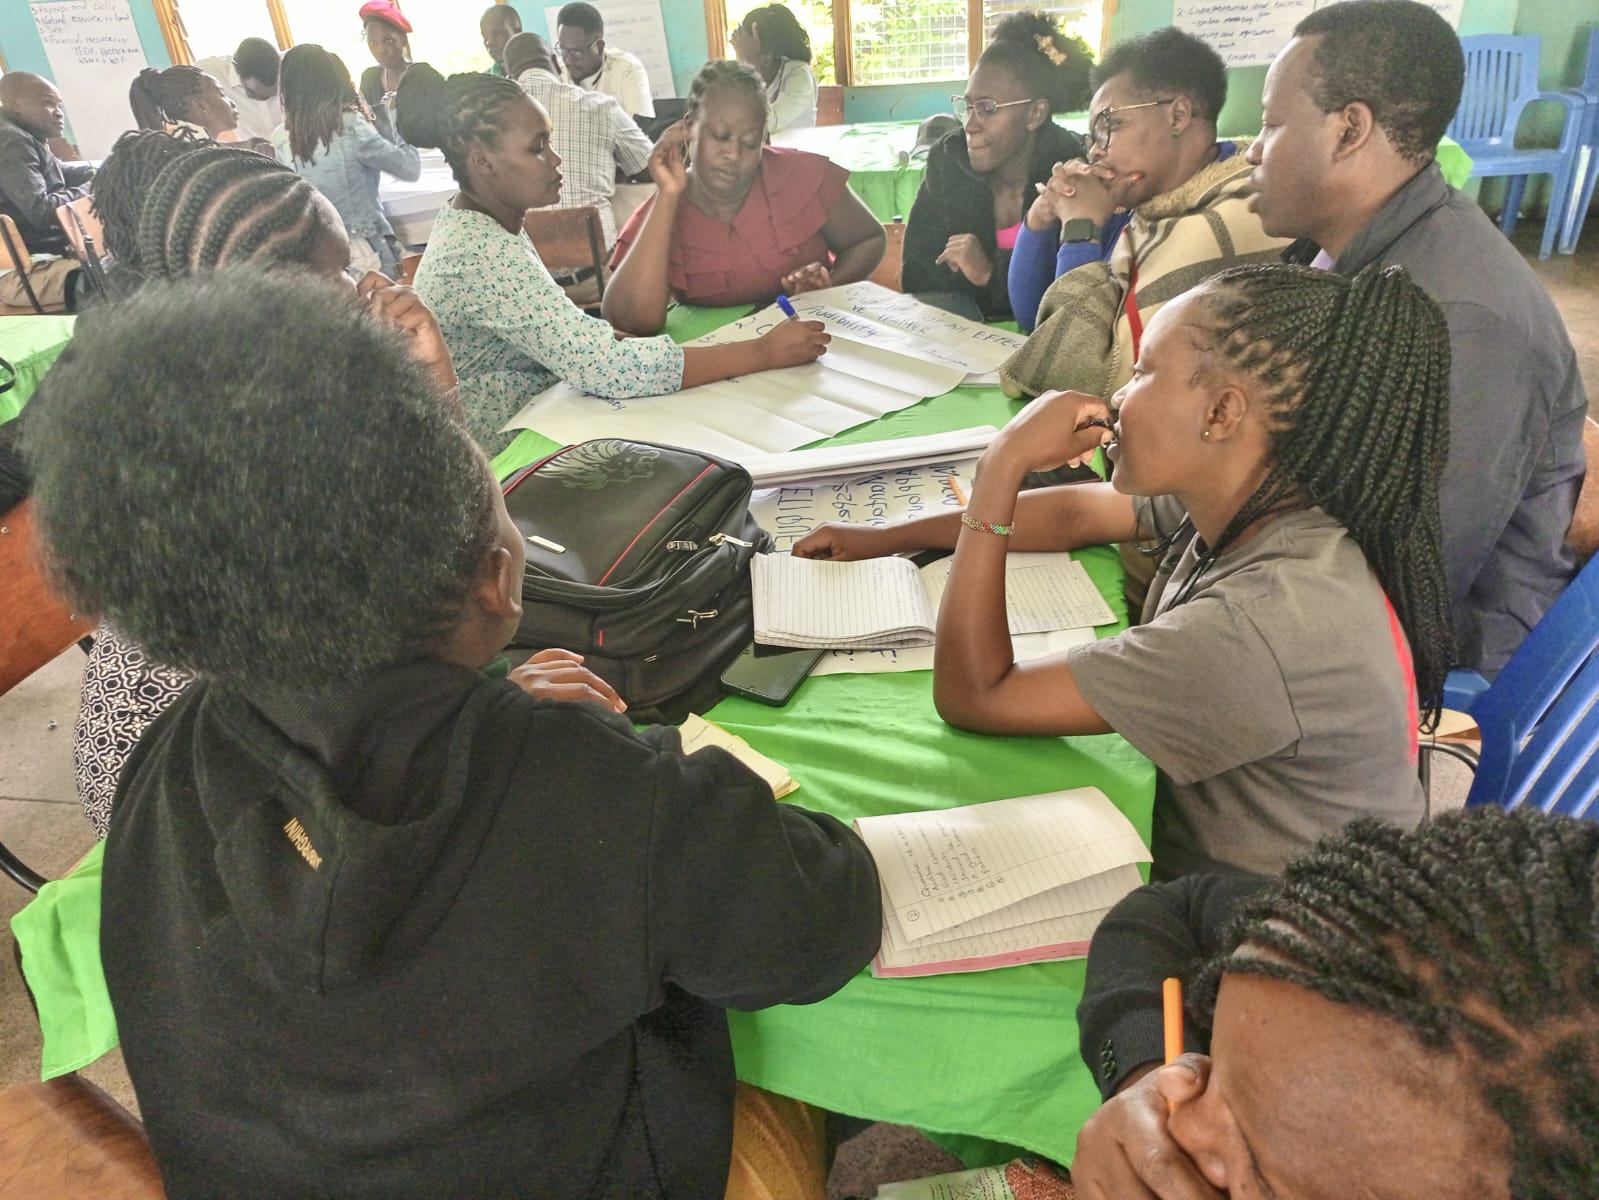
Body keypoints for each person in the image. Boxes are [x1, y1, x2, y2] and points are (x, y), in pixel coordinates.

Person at [24, 269, 883, 1198]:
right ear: (496, 578)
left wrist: (511, 717)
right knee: (800, 1075)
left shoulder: (177, 747)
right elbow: (821, 923)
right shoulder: (596, 792)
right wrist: (622, 754)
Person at [795, 264, 1453, 881]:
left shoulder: (1258, 622)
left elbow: (975, 696)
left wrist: (1003, 464)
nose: (1117, 394)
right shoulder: (1260, 495)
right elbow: (1080, 513)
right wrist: (889, 536)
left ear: (1221, 414)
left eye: (1141, 374)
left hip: (1270, 928)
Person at [74, 142, 464, 839]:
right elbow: (410, 635)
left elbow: (449, 556)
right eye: (337, 267)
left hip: (274, 761)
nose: (360, 285)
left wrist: (433, 397)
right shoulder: (244, 467)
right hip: (198, 825)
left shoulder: (256, 396)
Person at [1247, 0, 1587, 679]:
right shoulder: (1337, 255)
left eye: (1270, 124)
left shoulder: (1457, 316)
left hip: (1438, 665)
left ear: (1348, 131)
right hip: (1313, 583)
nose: (1252, 149)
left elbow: (1404, 578)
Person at [1071, 807, 1599, 1198]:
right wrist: (1143, 1073)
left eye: (1253, 1172)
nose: (1178, 1120)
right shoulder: (1357, 953)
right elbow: (1175, 908)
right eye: (1213, 1070)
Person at [396, 67, 831, 454]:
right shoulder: (481, 251)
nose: (556, 159)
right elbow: (605, 369)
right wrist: (761, 351)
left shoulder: (484, 223)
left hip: (530, 411)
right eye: (538, 148)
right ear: (483, 162)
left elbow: (566, 334)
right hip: (502, 450)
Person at [1004, 27, 1286, 339]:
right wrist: (1041, 218)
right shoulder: (1140, 203)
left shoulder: (1222, 218)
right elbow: (1032, 319)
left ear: (1178, 116)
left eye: (1110, 124)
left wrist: (1081, 230)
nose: (1096, 149)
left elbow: (1073, 350)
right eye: (1093, 136)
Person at [604, 61, 885, 331]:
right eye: (720, 136)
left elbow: (869, 239)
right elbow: (629, 320)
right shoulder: (664, 208)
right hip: (718, 359)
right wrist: (667, 196)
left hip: (808, 341)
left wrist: (829, 287)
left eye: (750, 143)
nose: (733, 155)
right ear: (689, 128)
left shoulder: (802, 176)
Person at [902, 12, 1093, 318]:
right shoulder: (950, 165)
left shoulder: (1069, 177)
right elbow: (918, 279)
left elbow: (1069, 302)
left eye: (988, 109)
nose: (970, 124)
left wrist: (987, 274)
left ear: (1035, 114)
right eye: (967, 107)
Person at [274, 44, 420, 279]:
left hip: (320, 254)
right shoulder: (349, 126)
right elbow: (410, 168)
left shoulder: (281, 137)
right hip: (366, 246)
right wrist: (396, 115)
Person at [504, 31, 652, 250]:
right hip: (598, 274)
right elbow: (650, 169)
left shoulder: (492, 120)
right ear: (556, 63)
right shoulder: (601, 107)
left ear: (509, 76)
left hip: (531, 274)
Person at [0, 72, 93, 311]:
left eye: (58, 105)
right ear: (16, 105)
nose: (59, 112)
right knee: (130, 275)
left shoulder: (22, 132)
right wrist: (90, 188)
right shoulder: (11, 140)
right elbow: (41, 210)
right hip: (33, 265)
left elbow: (56, 171)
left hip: (44, 253)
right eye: (47, 103)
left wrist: (97, 170)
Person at [127, 66, 269, 154]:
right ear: (201, 106)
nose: (231, 102)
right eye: (221, 94)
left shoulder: (186, 152)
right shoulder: (203, 163)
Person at [556, 1, 654, 119]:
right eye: (563, 50)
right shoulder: (556, 73)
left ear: (599, 47)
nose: (569, 60)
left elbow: (644, 129)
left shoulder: (627, 70)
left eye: (577, 52)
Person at [731, 3, 818, 134]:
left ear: (767, 56)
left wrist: (746, 63)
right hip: (765, 153)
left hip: (797, 153)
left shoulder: (800, 75)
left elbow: (765, 125)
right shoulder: (757, 74)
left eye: (745, 54)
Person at [195, 36, 283, 143]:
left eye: (272, 95)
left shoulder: (295, 66)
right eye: (254, 94)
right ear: (237, 72)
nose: (264, 100)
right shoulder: (208, 72)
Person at [357, 0, 414, 140]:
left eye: (388, 40)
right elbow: (366, 124)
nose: (380, 49)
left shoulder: (421, 77)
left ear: (403, 40)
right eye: (372, 43)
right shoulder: (370, 79)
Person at [480, 3, 522, 75]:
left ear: (517, 33)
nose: (489, 43)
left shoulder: (539, 70)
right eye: (485, 37)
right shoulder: (486, 81)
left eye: (497, 33)